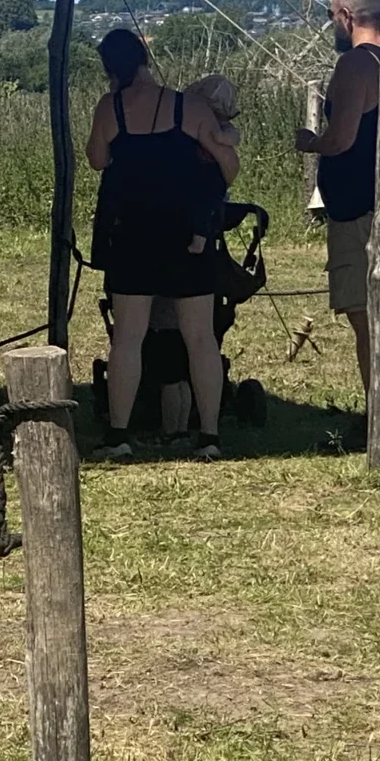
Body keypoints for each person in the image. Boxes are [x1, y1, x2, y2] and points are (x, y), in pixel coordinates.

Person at [86, 30, 239, 462]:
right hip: (185, 236)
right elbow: (228, 164)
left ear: (110, 70)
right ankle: (208, 435)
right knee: (201, 338)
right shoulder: (186, 107)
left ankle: (119, 433)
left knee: (128, 340)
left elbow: (97, 160)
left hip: (132, 234)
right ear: (144, 58)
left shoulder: (109, 108)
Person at [294, 0, 380, 437]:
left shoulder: (354, 65)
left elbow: (342, 138)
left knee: (366, 316)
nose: (333, 24)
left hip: (356, 210)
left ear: (346, 16)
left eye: (332, 15)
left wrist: (311, 142)